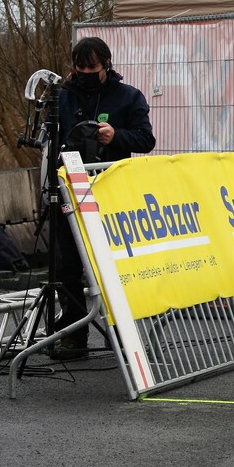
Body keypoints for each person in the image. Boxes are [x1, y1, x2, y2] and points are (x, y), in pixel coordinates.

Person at [53, 36, 156, 360]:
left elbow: (147, 139)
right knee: (68, 264)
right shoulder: (63, 97)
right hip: (71, 187)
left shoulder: (128, 97)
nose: (85, 73)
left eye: (92, 68)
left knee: (113, 263)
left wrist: (116, 136)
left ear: (106, 66)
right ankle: (73, 334)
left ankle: (122, 331)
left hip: (111, 190)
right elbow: (52, 137)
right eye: (80, 68)